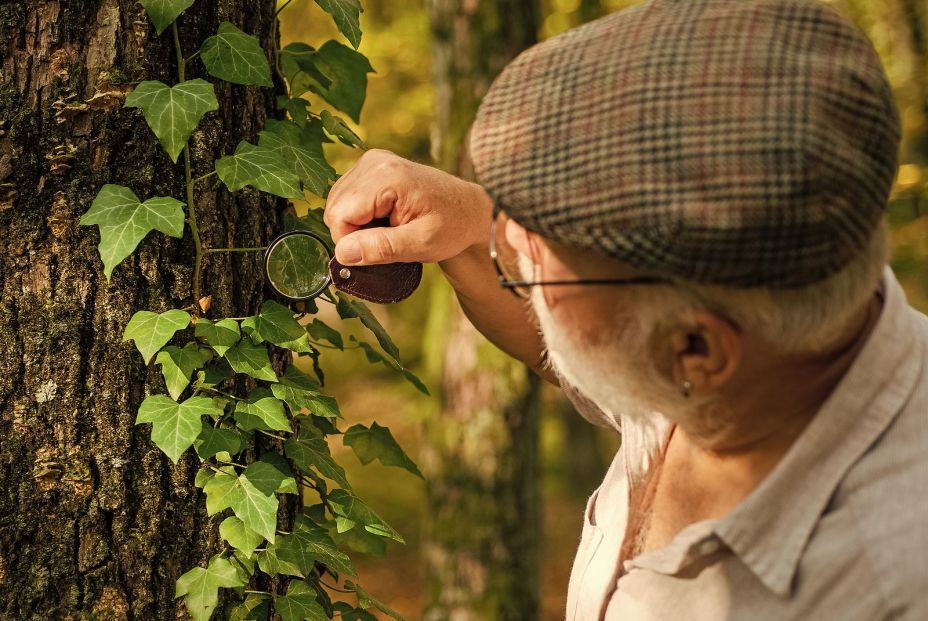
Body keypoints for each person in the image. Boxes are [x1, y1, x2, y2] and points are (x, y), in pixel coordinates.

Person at [323, 0, 928, 618]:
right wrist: (476, 220)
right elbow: (593, 349)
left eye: (534, 256)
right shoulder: (780, 305)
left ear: (695, 350)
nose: (509, 238)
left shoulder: (877, 587)